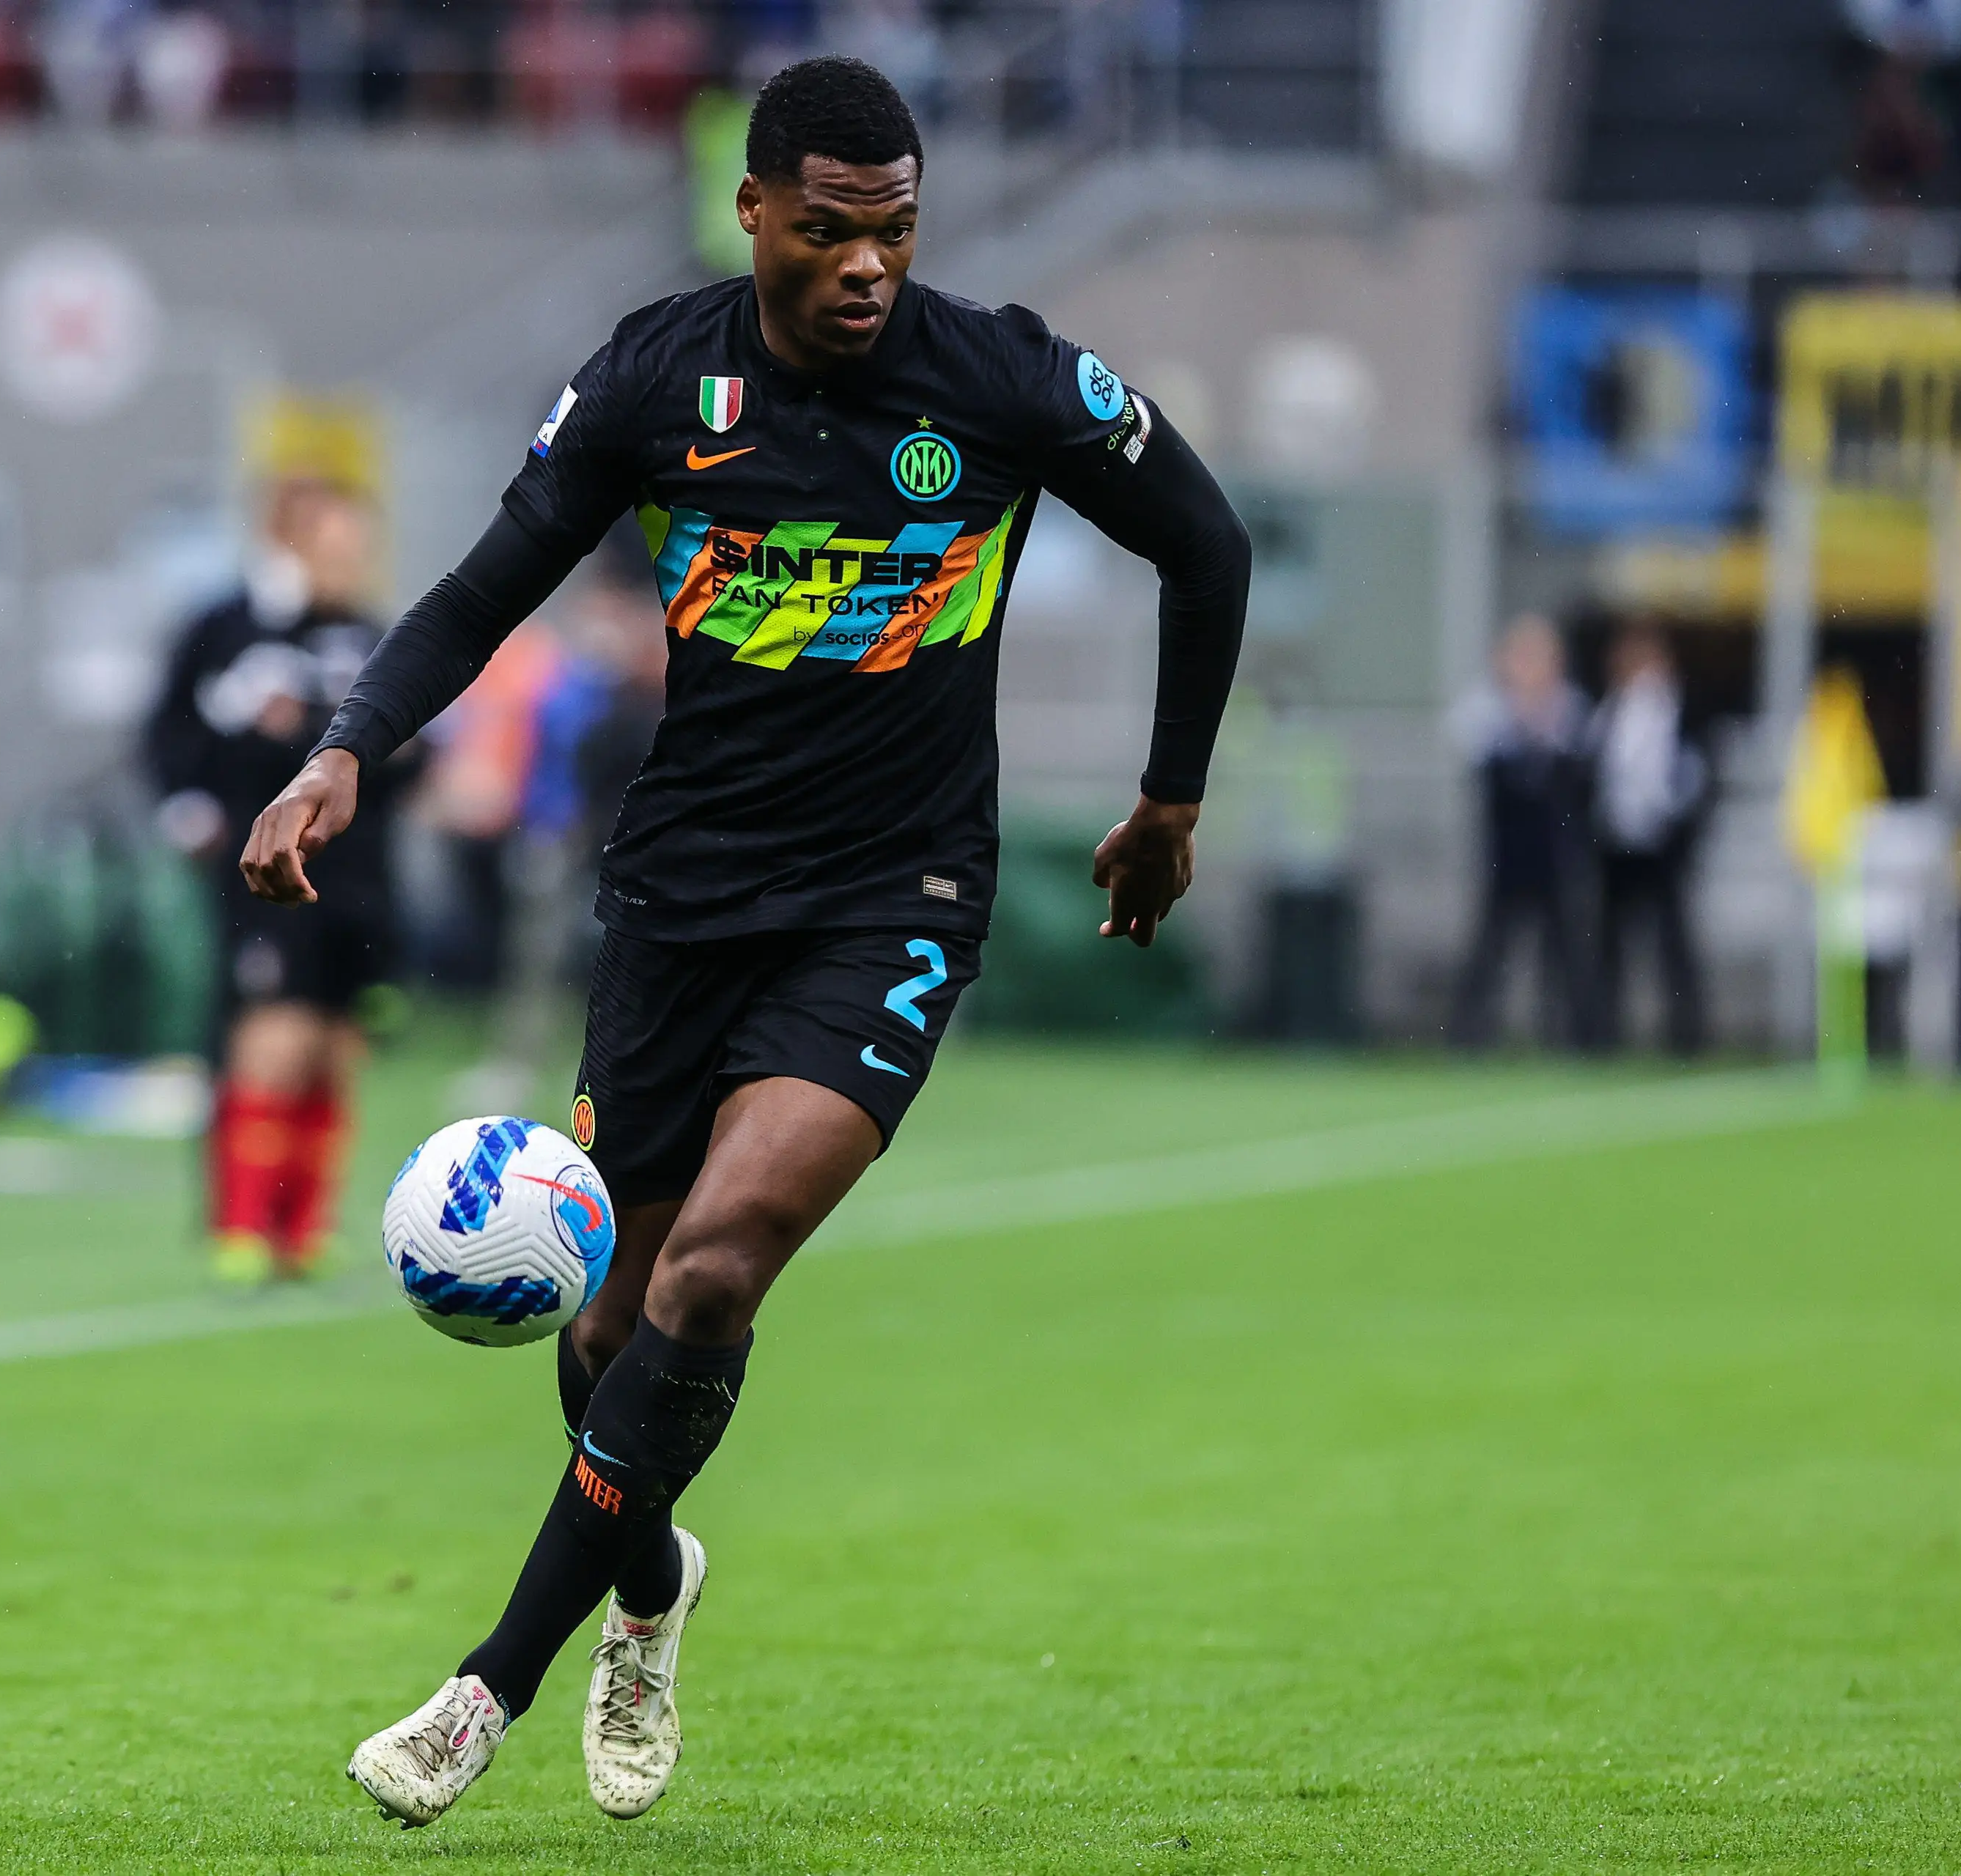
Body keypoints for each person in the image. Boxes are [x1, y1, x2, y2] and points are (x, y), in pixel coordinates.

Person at [237, 56, 1249, 1828]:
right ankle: (648, 1583)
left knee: (709, 1273)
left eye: (899, 229)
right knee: (602, 1317)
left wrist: (1168, 798)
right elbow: (488, 584)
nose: (870, 265)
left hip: (891, 900)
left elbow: (1207, 541)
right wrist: (343, 748)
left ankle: (490, 1680)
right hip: (678, 903)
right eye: (836, 230)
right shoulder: (653, 376)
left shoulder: (999, 378)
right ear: (759, 214)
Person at [144, 476, 405, 1283]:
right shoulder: (226, 629)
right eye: (336, 541)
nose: (350, 558)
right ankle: (243, 1223)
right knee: (271, 1036)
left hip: (359, 874)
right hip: (268, 867)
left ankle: (305, 1225)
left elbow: (404, 749)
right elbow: (170, 729)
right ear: (290, 540)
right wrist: (191, 804)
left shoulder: (368, 635)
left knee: (332, 1044)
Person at [1448, 614, 1594, 1052]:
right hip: (1505, 855)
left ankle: (1571, 1039)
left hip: (1553, 855)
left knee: (1563, 954)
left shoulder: (1570, 710)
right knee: (1491, 951)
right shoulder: (1487, 710)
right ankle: (1470, 1037)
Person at [1585, 624, 1709, 1055]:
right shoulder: (1608, 710)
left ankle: (1686, 1036)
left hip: (1663, 847)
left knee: (1672, 945)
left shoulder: (1682, 710)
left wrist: (1678, 826)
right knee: (1609, 946)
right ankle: (1603, 1037)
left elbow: (1697, 776)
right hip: (1616, 846)